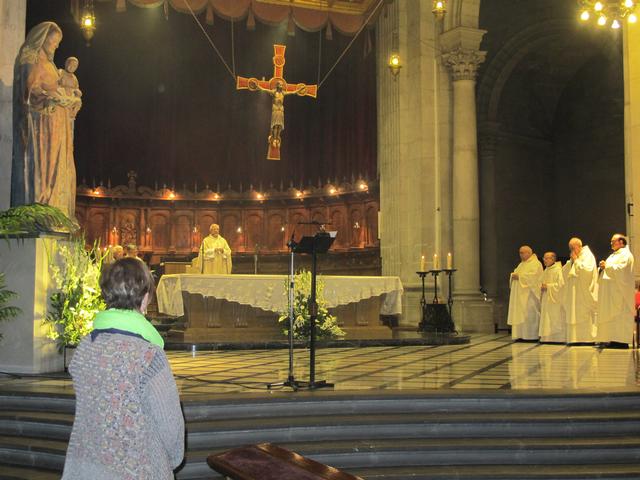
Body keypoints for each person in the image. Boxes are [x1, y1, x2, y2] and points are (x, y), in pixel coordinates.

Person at [62, 258, 185, 479]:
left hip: (87, 466)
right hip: (137, 469)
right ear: (145, 299)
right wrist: (170, 460)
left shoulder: (85, 347)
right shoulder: (149, 356)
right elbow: (171, 428)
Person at [11, 22, 80, 218]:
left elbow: (59, 89)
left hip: (56, 127)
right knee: (42, 172)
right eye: (54, 41)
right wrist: (50, 98)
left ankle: (53, 211)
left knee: (56, 173)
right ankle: (39, 211)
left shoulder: (51, 65)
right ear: (42, 38)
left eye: (58, 42)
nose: (56, 46)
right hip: (41, 127)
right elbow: (28, 91)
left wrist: (71, 101)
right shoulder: (31, 59)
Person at [596, 234, 635, 348]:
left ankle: (621, 341)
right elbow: (608, 269)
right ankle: (612, 339)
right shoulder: (613, 255)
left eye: (613, 241)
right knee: (612, 318)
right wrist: (602, 267)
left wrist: (606, 266)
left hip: (620, 293)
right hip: (610, 292)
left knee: (620, 316)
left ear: (621, 242)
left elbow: (621, 270)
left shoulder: (626, 255)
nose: (611, 243)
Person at [562, 237, 598, 345]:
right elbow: (566, 271)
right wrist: (572, 261)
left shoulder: (588, 255)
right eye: (570, 249)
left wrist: (576, 260)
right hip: (574, 292)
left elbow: (587, 271)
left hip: (583, 292)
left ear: (579, 246)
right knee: (574, 313)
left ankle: (587, 339)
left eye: (573, 248)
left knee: (583, 313)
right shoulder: (576, 256)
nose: (572, 251)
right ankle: (575, 339)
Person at [507, 245, 543, 341]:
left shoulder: (536, 263)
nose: (520, 255)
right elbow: (516, 273)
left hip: (530, 295)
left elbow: (534, 277)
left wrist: (520, 277)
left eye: (522, 253)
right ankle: (520, 335)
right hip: (520, 296)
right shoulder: (521, 264)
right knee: (520, 314)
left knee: (530, 314)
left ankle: (531, 336)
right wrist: (514, 275)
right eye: (520, 253)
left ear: (529, 253)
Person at [539, 251, 566, 343]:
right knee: (546, 318)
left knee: (555, 317)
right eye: (544, 258)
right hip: (546, 298)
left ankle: (557, 338)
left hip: (555, 299)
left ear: (553, 259)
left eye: (546, 258)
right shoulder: (546, 270)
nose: (544, 260)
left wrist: (548, 286)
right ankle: (547, 338)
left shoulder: (558, 270)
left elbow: (561, 285)